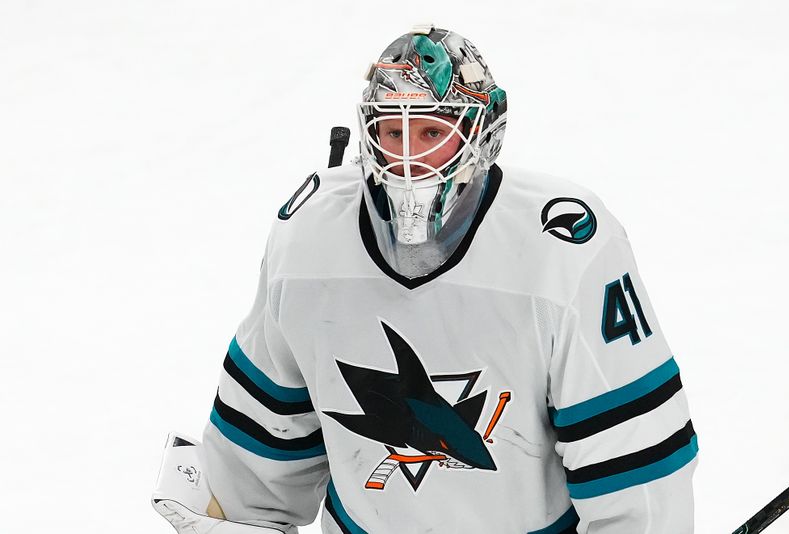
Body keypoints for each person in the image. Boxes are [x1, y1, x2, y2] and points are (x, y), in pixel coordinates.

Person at [153, 24, 698, 533]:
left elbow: (638, 478)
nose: (409, 159)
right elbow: (256, 460)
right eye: (393, 131)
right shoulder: (309, 240)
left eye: (432, 131)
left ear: (483, 135)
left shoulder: (565, 249)